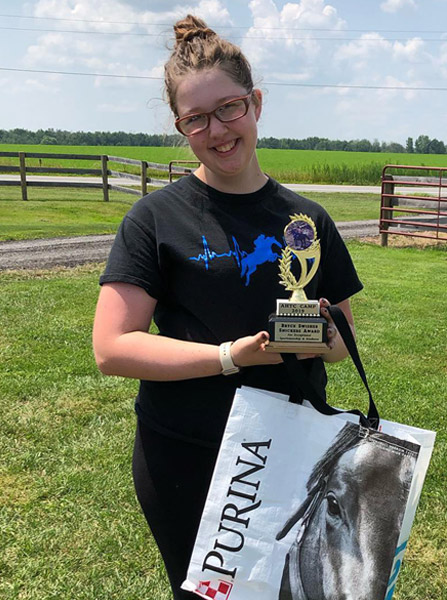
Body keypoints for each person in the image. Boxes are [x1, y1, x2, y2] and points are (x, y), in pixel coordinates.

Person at [91, 14, 363, 599]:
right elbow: (113, 347)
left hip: (296, 450)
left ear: (256, 103)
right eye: (196, 118)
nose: (217, 129)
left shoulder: (308, 220)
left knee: (292, 592)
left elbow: (344, 343)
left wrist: (316, 333)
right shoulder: (154, 220)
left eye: (229, 108)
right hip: (187, 454)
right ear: (180, 126)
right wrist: (229, 357)